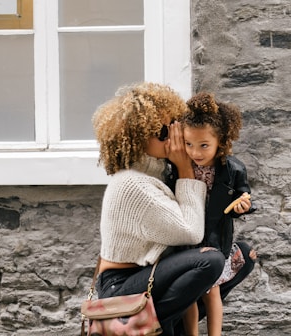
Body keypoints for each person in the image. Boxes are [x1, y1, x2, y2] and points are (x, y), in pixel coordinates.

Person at [92, 82, 226, 336]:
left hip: (148, 276)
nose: (174, 136)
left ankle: (159, 326)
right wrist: (187, 170)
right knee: (210, 260)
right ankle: (135, 325)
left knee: (240, 255)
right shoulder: (132, 184)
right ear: (138, 136)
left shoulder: (158, 174)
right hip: (120, 285)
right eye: (163, 131)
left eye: (176, 125)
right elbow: (190, 231)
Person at [167, 92, 257, 336]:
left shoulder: (233, 169)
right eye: (189, 144)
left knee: (212, 290)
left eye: (204, 145)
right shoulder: (177, 167)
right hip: (187, 237)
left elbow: (243, 195)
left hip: (216, 238)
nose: (196, 152)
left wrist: (243, 205)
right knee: (191, 291)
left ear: (221, 141)